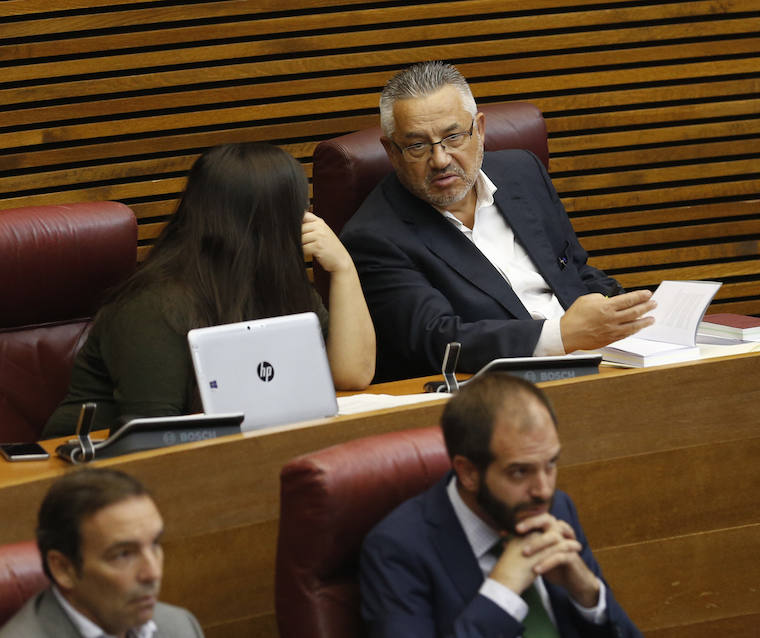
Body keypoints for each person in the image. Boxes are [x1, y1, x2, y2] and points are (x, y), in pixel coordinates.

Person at [341, 61, 656, 381]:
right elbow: (438, 340)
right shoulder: (374, 236)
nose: (440, 159)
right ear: (392, 151)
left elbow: (574, 271)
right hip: (496, 388)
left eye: (454, 136)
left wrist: (629, 314)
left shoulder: (522, 172)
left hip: (600, 362)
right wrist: (561, 335)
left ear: (479, 129)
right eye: (418, 146)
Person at [44, 142, 375, 438]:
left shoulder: (277, 285)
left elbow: (352, 376)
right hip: (83, 476)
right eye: (299, 208)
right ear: (272, 222)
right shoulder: (153, 305)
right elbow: (157, 436)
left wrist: (344, 269)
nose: (307, 217)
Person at [359, 373, 643, 637]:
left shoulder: (556, 510)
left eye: (550, 464)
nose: (543, 490)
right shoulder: (399, 549)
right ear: (468, 473)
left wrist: (588, 595)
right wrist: (502, 591)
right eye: (520, 472)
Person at [0, 468, 203, 638]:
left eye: (155, 544)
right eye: (123, 554)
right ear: (64, 569)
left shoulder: (179, 627)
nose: (153, 573)